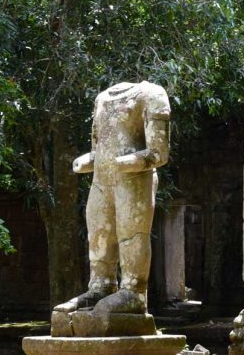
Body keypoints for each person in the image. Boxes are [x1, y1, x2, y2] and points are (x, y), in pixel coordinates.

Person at [53, 81, 170, 315]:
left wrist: (123, 163)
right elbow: (98, 150)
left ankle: (134, 291)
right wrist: (87, 161)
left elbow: (158, 153)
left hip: (134, 179)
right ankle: (101, 286)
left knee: (132, 234)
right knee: (98, 232)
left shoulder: (151, 94)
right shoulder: (102, 99)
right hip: (102, 180)